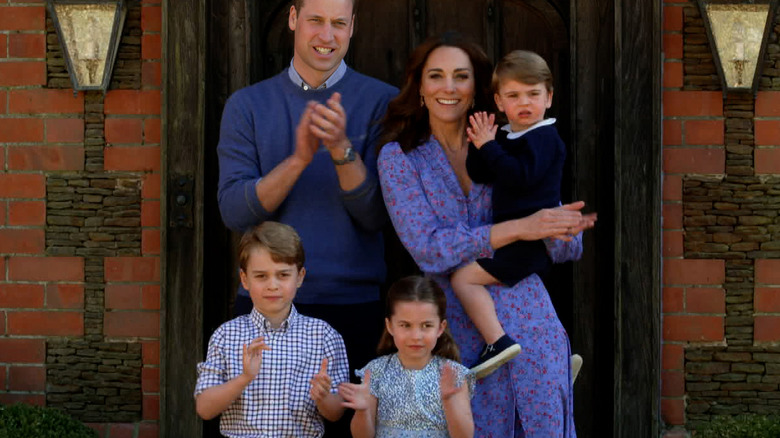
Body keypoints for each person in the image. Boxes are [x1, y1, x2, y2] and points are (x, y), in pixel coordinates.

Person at [377, 32, 596, 437]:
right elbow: (428, 250)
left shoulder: (510, 141)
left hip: (531, 322)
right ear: (420, 87)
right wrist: (518, 229)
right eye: (436, 76)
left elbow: (560, 243)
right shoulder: (400, 158)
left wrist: (565, 230)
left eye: (460, 76)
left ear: (477, 89)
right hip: (455, 332)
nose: (448, 87)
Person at [216, 0, 397, 432]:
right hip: (268, 307)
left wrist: (341, 151)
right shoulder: (247, 105)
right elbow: (234, 210)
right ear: (294, 19)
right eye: (315, 21)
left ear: (353, 26)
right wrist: (298, 159)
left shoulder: (383, 103)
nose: (326, 36)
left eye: (338, 23)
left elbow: (378, 216)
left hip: (354, 307)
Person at [449, 50, 567, 379]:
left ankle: (497, 342)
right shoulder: (509, 135)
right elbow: (482, 173)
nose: (524, 103)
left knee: (463, 278)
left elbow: (519, 177)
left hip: (527, 243)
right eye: (514, 96)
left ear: (549, 97)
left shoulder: (545, 138)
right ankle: (550, 362)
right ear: (500, 102)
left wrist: (490, 146)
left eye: (533, 94)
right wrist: (480, 142)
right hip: (512, 238)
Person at [194, 221, 349, 437]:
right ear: (244, 279)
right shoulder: (226, 335)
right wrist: (244, 378)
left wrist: (323, 397)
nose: (273, 285)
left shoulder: (324, 336)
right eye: (261, 276)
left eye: (283, 275)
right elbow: (204, 408)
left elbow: (336, 414)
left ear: (300, 277)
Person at [339, 276, 474, 438]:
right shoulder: (375, 371)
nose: (416, 336)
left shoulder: (453, 374)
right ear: (390, 326)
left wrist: (450, 401)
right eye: (405, 325)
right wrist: (362, 411)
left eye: (426, 325)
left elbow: (465, 436)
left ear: (440, 328)